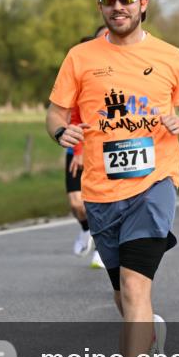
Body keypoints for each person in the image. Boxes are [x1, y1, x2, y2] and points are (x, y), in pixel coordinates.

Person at [47, 0, 179, 357]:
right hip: (102, 191)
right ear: (101, 5)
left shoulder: (170, 56)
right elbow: (55, 113)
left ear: (143, 2)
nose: (118, 5)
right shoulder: (79, 57)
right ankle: (150, 337)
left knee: (136, 287)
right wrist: (62, 131)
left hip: (154, 183)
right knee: (124, 295)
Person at [66, 26, 108, 268]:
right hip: (76, 147)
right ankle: (85, 230)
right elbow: (72, 116)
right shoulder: (76, 75)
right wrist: (78, 150)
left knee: (99, 202)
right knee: (75, 203)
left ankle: (102, 249)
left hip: (102, 149)